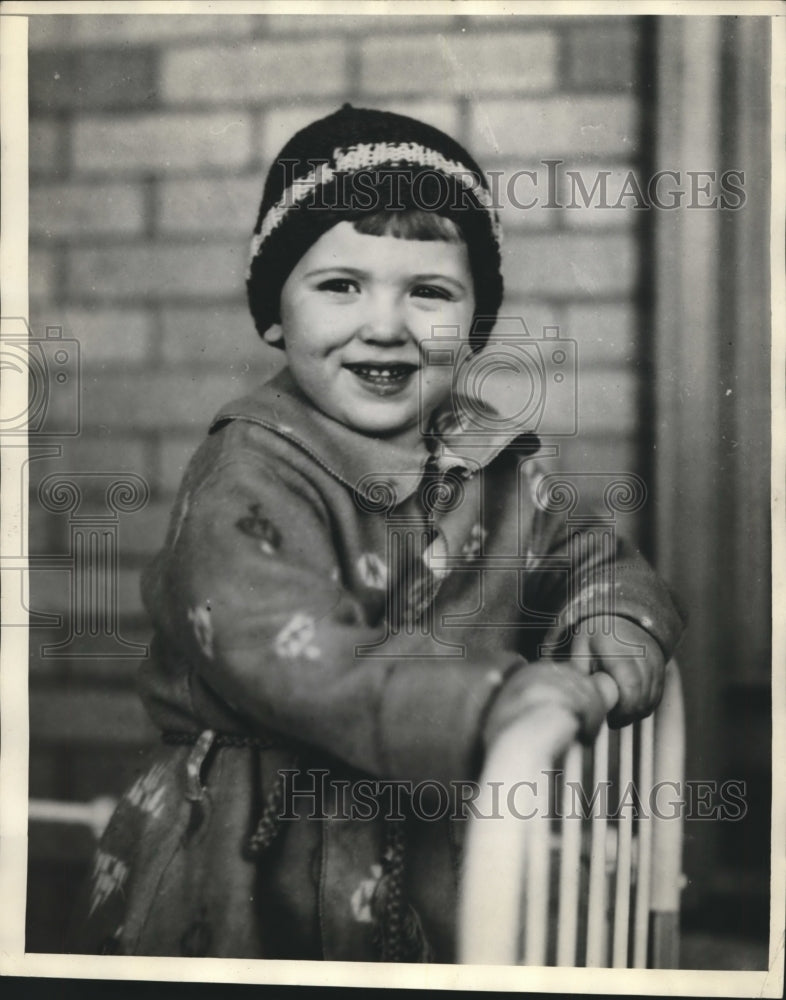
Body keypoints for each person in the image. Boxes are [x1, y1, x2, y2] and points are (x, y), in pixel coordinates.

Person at [70, 105, 684, 963]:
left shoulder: (491, 458)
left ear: (473, 325)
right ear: (277, 313)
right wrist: (490, 702)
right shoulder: (251, 466)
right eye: (340, 286)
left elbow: (584, 552)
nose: (386, 324)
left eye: (428, 291)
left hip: (432, 852)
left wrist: (612, 615)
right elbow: (280, 644)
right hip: (259, 861)